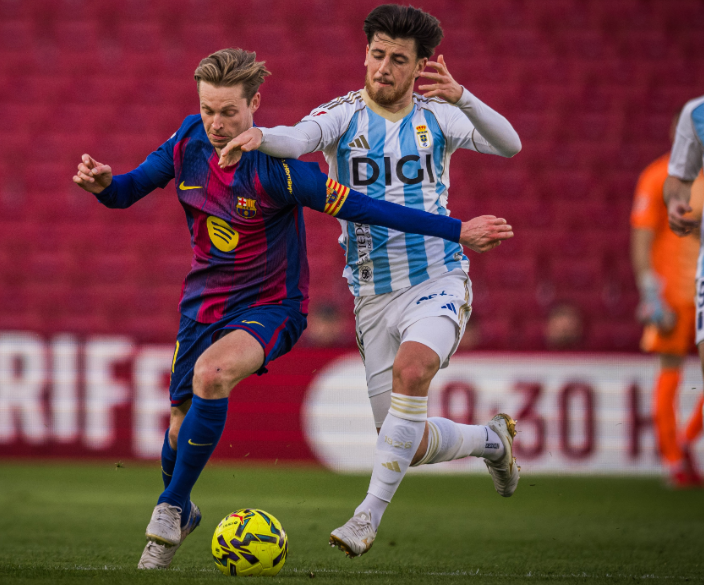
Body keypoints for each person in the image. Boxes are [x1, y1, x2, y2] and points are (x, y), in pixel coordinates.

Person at [72, 48, 513, 569]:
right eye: (208, 110)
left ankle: (168, 507)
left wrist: (455, 228)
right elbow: (125, 191)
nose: (216, 123)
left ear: (254, 104)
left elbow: (366, 206)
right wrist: (103, 186)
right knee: (177, 426)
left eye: (229, 112)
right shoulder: (185, 143)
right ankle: (183, 507)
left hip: (272, 305)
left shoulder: (282, 171)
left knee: (212, 376)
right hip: (202, 306)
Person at [219, 5, 522, 556]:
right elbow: (296, 137)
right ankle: (489, 440)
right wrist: (259, 135)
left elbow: (509, 144)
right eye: (377, 54)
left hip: (437, 276)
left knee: (413, 372)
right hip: (372, 292)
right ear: (365, 54)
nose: (383, 67)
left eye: (398, 59)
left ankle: (365, 517)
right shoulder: (343, 115)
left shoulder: (440, 116)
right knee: (401, 438)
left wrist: (464, 97)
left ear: (418, 66)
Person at [631, 112, 704, 488]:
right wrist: (650, 294)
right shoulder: (658, 176)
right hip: (673, 295)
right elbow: (642, 239)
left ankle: (686, 441)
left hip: (702, 291)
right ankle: (674, 461)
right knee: (670, 371)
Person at [664, 95, 704, 489]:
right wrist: (675, 203)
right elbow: (676, 182)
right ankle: (675, 454)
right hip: (682, 286)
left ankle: (685, 443)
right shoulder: (696, 113)